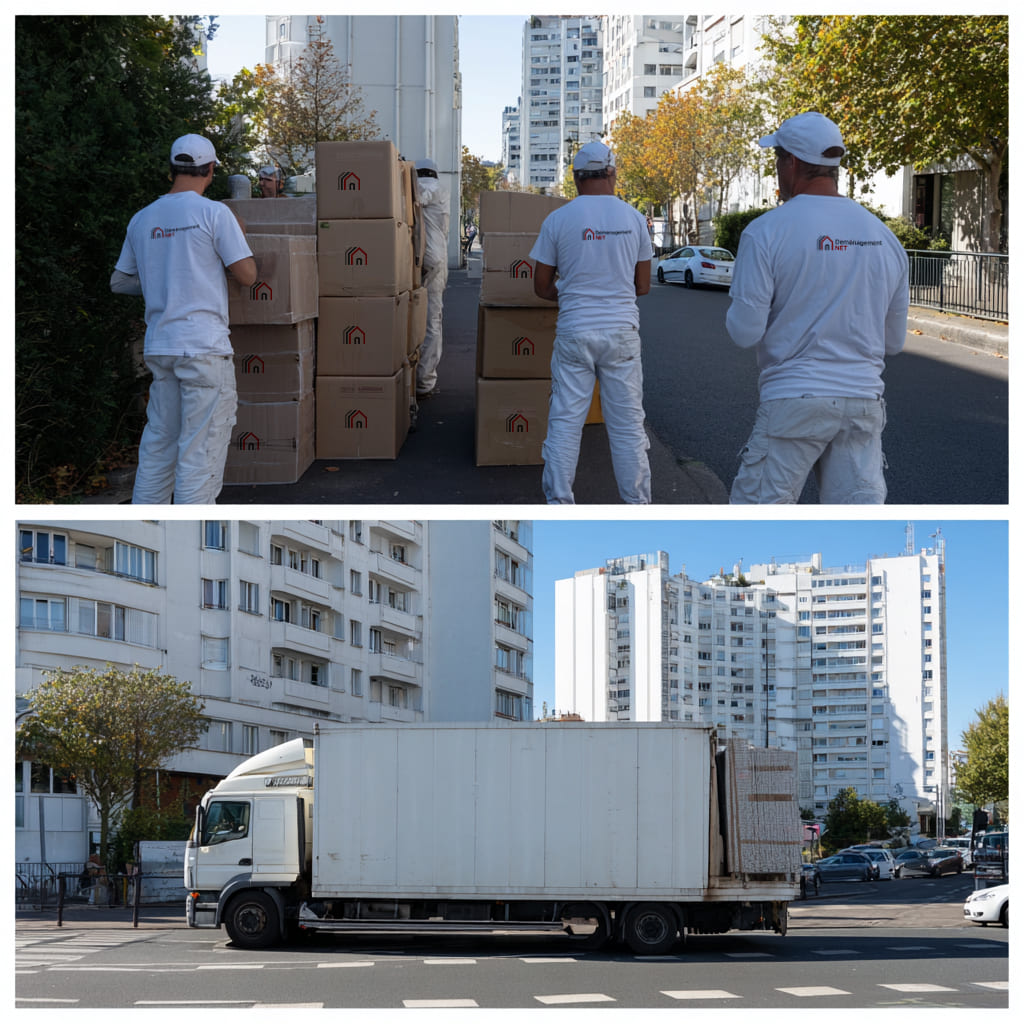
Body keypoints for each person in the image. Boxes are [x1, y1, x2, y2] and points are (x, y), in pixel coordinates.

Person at [725, 111, 909, 504]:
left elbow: (744, 332)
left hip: (793, 399)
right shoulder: (885, 238)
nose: (777, 169)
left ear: (791, 162)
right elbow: (892, 342)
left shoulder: (766, 231)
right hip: (862, 404)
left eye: (777, 160)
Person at [112, 134, 257, 504]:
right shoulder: (214, 213)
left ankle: (148, 516)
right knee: (200, 454)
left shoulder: (142, 218)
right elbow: (247, 275)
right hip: (203, 349)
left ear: (171, 170)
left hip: (161, 346)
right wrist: (237, 233)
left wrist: (167, 283)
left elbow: (120, 281)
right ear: (210, 170)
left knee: (158, 448)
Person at [529, 140, 653, 504]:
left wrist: (568, 294)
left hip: (574, 330)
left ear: (576, 178)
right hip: (621, 332)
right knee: (628, 428)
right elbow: (642, 286)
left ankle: (559, 503)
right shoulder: (633, 219)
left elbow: (540, 286)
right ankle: (637, 506)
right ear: (612, 173)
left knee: (566, 424)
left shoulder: (558, 220)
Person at [414, 158, 451, 398]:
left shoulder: (430, 187)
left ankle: (423, 381)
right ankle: (423, 380)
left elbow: (420, 195)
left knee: (429, 321)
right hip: (435, 259)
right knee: (430, 319)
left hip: (427, 259)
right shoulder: (441, 187)